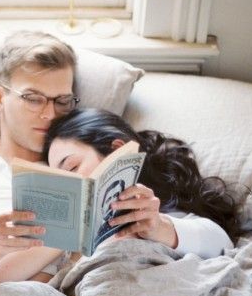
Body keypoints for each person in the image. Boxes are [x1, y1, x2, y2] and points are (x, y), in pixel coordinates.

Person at [0, 31, 235, 296]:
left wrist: (160, 226)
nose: (49, 114)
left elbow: (219, 244)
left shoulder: (86, 161)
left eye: (62, 101)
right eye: (33, 98)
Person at [44, 108, 241, 254]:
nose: (67, 185)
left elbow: (224, 246)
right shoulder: (63, 242)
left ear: (115, 151)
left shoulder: (162, 211)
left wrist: (160, 227)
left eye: (71, 168)